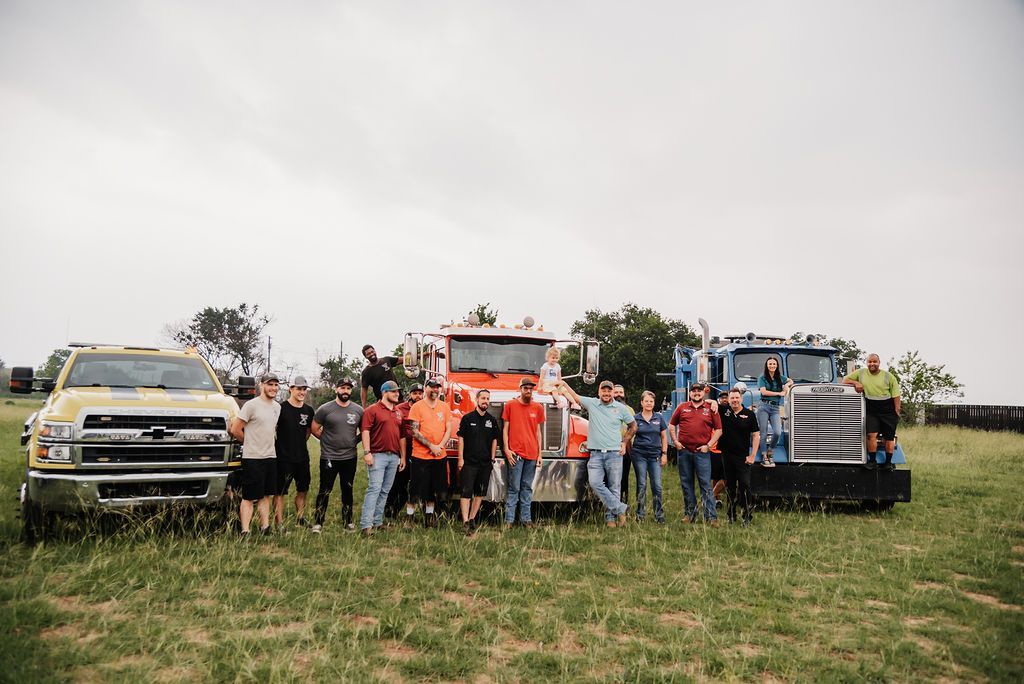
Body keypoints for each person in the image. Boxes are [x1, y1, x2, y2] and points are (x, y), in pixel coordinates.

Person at [558, 380, 636, 527]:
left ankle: (610, 519)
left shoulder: (621, 408)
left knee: (614, 487)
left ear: (613, 392)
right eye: (603, 391)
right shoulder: (592, 403)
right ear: (599, 392)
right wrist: (563, 383)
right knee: (595, 483)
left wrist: (624, 442)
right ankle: (620, 508)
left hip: (614, 454)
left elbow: (633, 426)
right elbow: (574, 396)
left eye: (609, 391)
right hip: (596, 455)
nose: (606, 393)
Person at [229, 373, 282, 536]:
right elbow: (235, 429)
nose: (273, 388)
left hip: (270, 457)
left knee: (266, 494)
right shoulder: (251, 405)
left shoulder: (277, 407)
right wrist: (249, 442)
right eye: (269, 384)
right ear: (261, 385)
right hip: (253, 458)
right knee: (249, 496)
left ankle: (265, 527)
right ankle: (245, 530)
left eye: (275, 385)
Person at [310, 378, 363, 533]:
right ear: (336, 389)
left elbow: (365, 431)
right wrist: (327, 441)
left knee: (348, 489)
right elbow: (314, 428)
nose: (345, 391)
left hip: (349, 457)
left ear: (351, 391)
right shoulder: (325, 409)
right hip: (329, 456)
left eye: (348, 388)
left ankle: (348, 521)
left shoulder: (358, 410)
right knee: (325, 489)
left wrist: (354, 441)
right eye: (342, 388)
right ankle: (318, 522)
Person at [669, 382, 723, 526]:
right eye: (694, 391)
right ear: (690, 393)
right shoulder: (682, 407)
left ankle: (711, 517)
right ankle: (690, 514)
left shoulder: (710, 408)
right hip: (684, 451)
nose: (696, 393)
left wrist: (709, 445)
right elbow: (671, 425)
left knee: (705, 484)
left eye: (699, 391)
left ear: (703, 393)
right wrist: (675, 441)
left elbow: (718, 430)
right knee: (687, 484)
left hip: (702, 453)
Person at [358, 380, 405, 536]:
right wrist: (367, 452)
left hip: (394, 457)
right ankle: (366, 525)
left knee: (385, 491)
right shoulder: (372, 410)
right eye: (394, 391)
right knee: (374, 489)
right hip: (377, 455)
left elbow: (402, 436)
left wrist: (402, 456)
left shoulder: (398, 412)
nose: (397, 394)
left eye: (398, 391)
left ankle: (377, 522)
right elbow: (365, 431)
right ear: (384, 392)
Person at [843, 354, 902, 470]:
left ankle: (888, 463)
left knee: (889, 437)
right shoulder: (861, 373)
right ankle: (872, 461)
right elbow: (845, 380)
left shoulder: (888, 376)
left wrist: (896, 411)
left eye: (875, 362)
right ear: (867, 363)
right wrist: (856, 383)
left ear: (879, 363)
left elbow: (896, 395)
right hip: (871, 409)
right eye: (870, 362)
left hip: (887, 410)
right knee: (871, 435)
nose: (872, 364)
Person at [502, 377, 546, 528]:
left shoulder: (538, 408)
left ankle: (526, 520)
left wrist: (540, 454)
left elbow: (538, 432)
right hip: (516, 455)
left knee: (527, 487)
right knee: (514, 488)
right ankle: (509, 521)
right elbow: (505, 429)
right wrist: (507, 449)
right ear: (520, 389)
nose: (528, 391)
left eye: (530, 389)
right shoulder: (510, 405)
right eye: (525, 388)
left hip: (532, 455)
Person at [408, 377, 453, 527]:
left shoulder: (444, 406)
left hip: (439, 455)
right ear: (426, 388)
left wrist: (439, 446)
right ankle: (410, 518)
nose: (435, 390)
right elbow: (414, 431)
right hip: (420, 455)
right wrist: (431, 446)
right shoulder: (417, 407)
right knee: (416, 488)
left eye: (437, 387)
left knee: (435, 488)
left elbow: (448, 429)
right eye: (432, 387)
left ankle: (429, 517)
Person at [273, 376, 315, 529]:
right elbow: (274, 429)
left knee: (303, 489)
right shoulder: (280, 408)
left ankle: (300, 518)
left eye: (304, 389)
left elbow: (308, 432)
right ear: (291, 389)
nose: (302, 392)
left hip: (302, 457)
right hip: (283, 458)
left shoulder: (309, 410)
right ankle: (279, 522)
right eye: (298, 389)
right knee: (280, 492)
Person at [457, 389, 501, 535]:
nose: (485, 401)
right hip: (469, 462)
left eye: (488, 398)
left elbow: (495, 439)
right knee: (466, 492)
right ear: (477, 399)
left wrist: (492, 458)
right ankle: (464, 521)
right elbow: (461, 438)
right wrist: (461, 459)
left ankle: (472, 519)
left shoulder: (492, 420)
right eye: (483, 398)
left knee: (480, 493)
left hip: (485, 463)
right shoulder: (467, 418)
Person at [718, 389, 761, 525]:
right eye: (732, 398)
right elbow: (708, 402)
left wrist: (753, 455)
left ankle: (747, 515)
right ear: (728, 399)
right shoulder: (724, 411)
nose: (734, 400)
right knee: (730, 486)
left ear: (741, 399)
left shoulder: (749, 415)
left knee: (745, 485)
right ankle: (731, 514)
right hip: (726, 455)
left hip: (742, 457)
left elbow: (755, 435)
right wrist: (712, 403)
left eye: (737, 398)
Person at [387, 382, 423, 522]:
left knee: (416, 481)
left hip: (420, 448)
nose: (418, 396)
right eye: (415, 393)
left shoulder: (425, 407)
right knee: (399, 481)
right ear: (410, 395)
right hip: (404, 447)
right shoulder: (400, 409)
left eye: (420, 393)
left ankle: (413, 511)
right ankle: (390, 509)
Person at [630, 390, 667, 523]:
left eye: (651, 401)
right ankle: (640, 515)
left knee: (657, 485)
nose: (649, 403)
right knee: (642, 484)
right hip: (639, 455)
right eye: (646, 401)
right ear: (642, 402)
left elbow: (664, 436)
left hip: (655, 455)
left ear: (654, 403)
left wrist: (664, 454)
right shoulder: (635, 418)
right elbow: (629, 435)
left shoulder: (659, 418)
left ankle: (659, 515)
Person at [756, 357, 793, 468]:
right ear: (767, 365)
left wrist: (786, 386)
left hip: (775, 408)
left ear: (777, 365)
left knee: (777, 432)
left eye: (774, 364)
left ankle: (770, 450)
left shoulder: (780, 377)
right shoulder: (762, 377)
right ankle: (764, 455)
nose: (772, 366)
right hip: (764, 406)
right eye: (770, 364)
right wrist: (779, 394)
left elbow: (791, 381)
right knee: (763, 433)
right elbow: (763, 391)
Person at [613, 384, 636, 504]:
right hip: (611, 447)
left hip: (626, 448)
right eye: (616, 392)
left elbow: (633, 428)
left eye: (620, 393)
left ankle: (623, 502)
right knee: (610, 478)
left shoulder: (630, 410)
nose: (618, 395)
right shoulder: (606, 408)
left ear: (624, 394)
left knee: (624, 477)